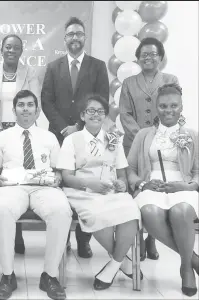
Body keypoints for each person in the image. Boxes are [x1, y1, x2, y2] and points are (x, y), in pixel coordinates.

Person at [0, 90, 72, 300]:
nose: (25, 109)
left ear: (37, 110)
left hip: (43, 187)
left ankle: (50, 276)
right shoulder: (0, 137)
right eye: (21, 105)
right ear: (14, 109)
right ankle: (8, 276)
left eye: (29, 105)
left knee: (61, 210)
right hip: (12, 187)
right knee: (2, 209)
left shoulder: (50, 137)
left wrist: (58, 178)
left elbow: (57, 169)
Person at [57, 94, 141, 290]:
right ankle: (123, 261)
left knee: (131, 211)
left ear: (105, 116)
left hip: (111, 192)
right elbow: (67, 177)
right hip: (82, 192)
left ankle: (113, 265)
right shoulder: (71, 140)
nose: (96, 115)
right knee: (95, 214)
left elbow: (121, 174)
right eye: (91, 111)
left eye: (100, 111)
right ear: (82, 115)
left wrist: (121, 184)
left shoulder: (113, 140)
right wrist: (89, 184)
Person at [41, 16, 109, 259]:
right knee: (60, 184)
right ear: (64, 38)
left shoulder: (98, 66)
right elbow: (46, 101)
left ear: (85, 37)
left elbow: (101, 100)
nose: (75, 38)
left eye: (79, 34)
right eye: (70, 34)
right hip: (58, 136)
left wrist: (79, 126)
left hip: (86, 135)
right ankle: (63, 236)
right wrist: (64, 128)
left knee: (83, 183)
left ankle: (83, 238)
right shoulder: (53, 66)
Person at [127, 83, 199, 297]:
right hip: (152, 186)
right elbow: (129, 168)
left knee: (182, 211)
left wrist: (187, 185)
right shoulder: (143, 135)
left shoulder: (193, 135)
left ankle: (186, 268)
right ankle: (193, 259)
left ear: (181, 107)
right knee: (149, 211)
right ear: (157, 108)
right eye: (164, 106)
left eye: (174, 106)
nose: (169, 110)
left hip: (182, 186)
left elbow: (197, 171)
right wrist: (142, 184)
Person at [119, 37, 179, 261]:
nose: (148, 57)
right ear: (137, 57)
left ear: (161, 57)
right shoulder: (129, 83)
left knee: (157, 189)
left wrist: (155, 136)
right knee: (135, 189)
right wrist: (142, 137)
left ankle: (151, 239)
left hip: (163, 143)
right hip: (134, 144)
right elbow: (124, 113)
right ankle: (136, 241)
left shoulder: (170, 80)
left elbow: (173, 109)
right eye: (144, 54)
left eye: (153, 54)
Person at [0, 34, 41, 255]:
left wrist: (19, 130)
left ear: (21, 50)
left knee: (21, 179)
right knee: (2, 180)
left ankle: (18, 231)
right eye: (8, 47)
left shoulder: (30, 72)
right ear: (1, 49)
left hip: (22, 130)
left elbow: (36, 104)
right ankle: (5, 232)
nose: (11, 50)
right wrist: (0, 132)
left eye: (16, 47)